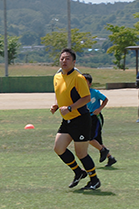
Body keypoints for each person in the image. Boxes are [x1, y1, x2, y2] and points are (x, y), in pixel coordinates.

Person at [50, 48, 101, 191]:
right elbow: (59, 93)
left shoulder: (78, 78)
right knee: (58, 148)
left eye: (67, 58)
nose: (64, 61)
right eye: (62, 58)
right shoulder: (57, 76)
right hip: (67, 120)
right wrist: (56, 104)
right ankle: (78, 172)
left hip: (80, 119)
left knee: (81, 153)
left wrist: (71, 108)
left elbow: (86, 98)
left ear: (74, 62)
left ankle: (94, 180)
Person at [83, 73, 117, 167]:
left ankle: (104, 151)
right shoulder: (80, 93)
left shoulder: (94, 92)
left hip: (95, 118)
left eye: (85, 82)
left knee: (90, 137)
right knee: (97, 141)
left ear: (90, 84)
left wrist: (99, 109)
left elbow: (105, 99)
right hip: (86, 118)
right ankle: (110, 158)